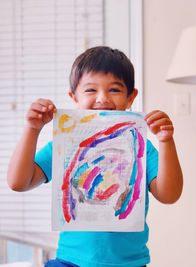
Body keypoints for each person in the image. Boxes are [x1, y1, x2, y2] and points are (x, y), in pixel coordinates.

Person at [7, 46, 183, 267]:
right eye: (90, 90)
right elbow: (18, 182)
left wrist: (166, 141)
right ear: (74, 97)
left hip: (129, 263)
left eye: (115, 90)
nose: (102, 99)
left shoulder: (140, 146)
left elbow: (169, 194)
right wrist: (32, 129)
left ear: (131, 98)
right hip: (70, 261)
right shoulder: (64, 144)